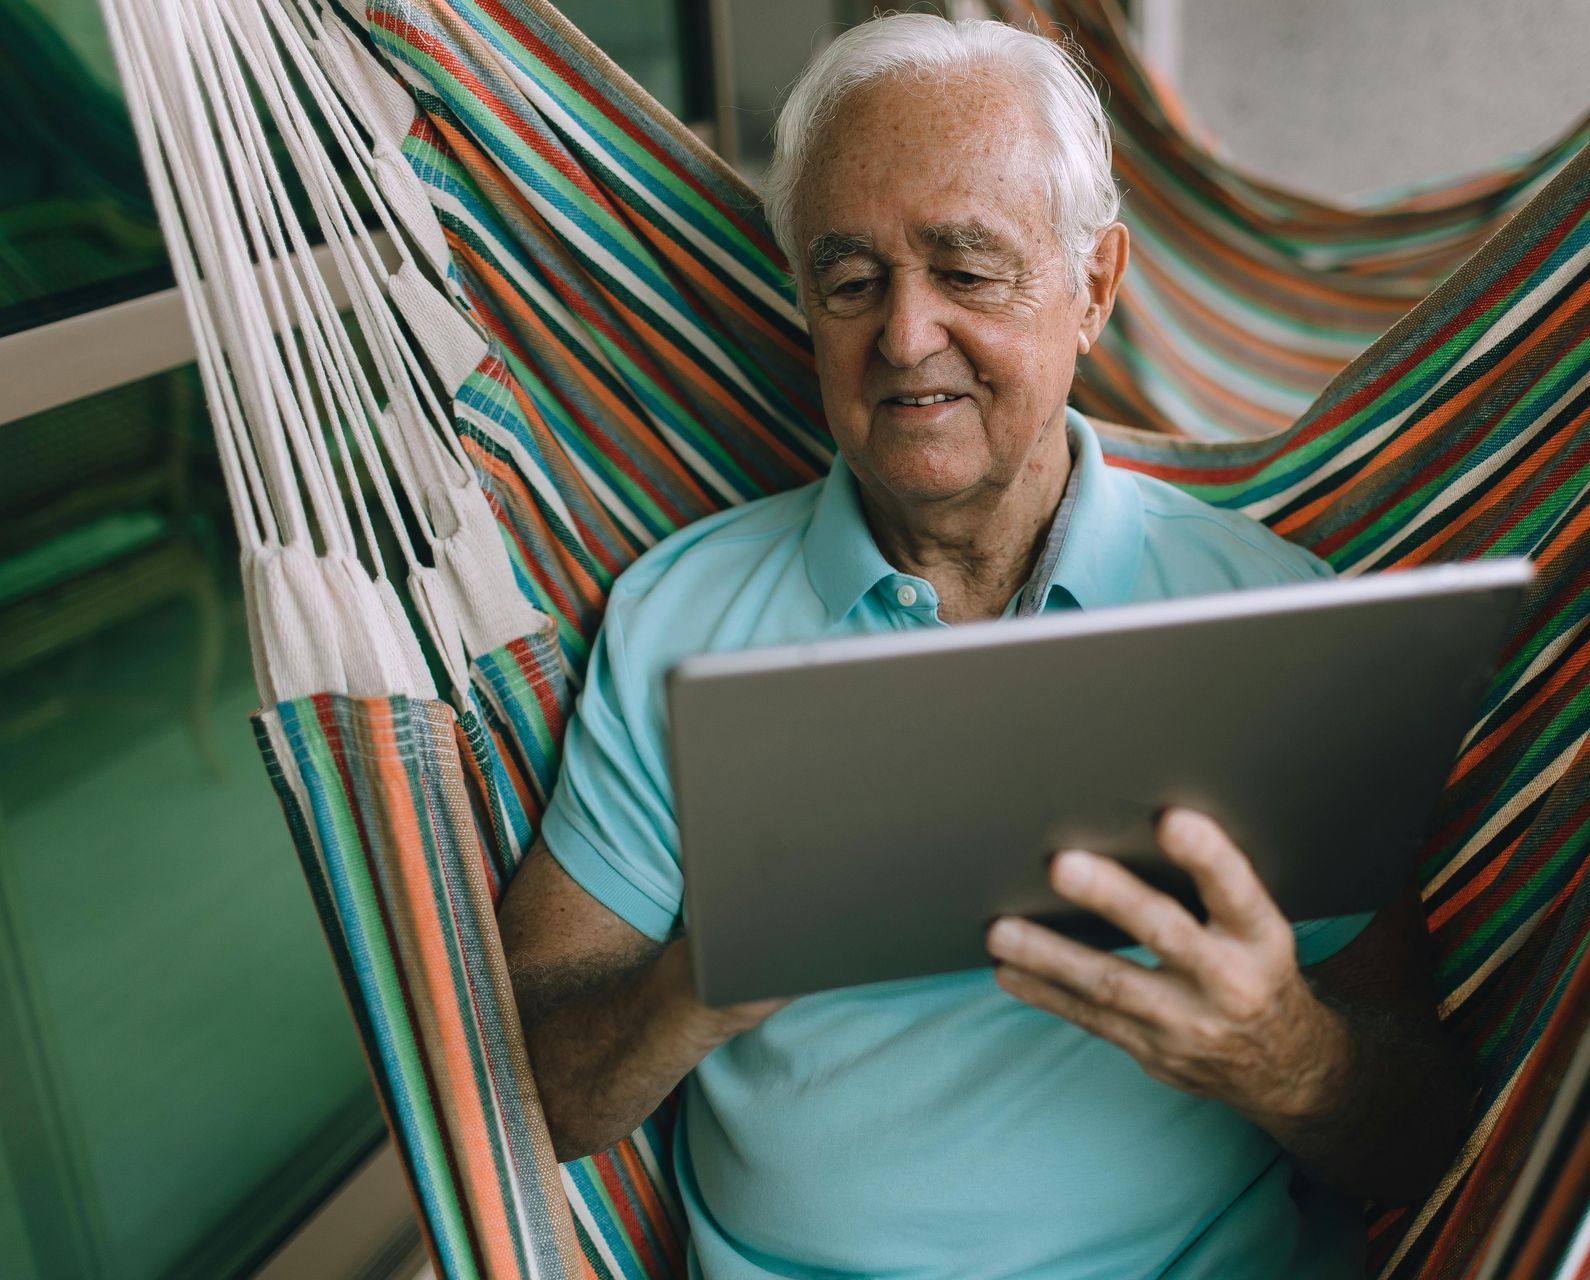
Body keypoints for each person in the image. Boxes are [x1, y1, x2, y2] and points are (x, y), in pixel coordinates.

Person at [499, 14, 1470, 1277]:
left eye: (967, 269)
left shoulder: (1260, 619)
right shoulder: (677, 619)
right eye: (851, 280)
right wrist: (708, 976)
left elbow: (1423, 1131)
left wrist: (1287, 1050)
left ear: (1096, 289)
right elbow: (530, 1091)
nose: (904, 337)